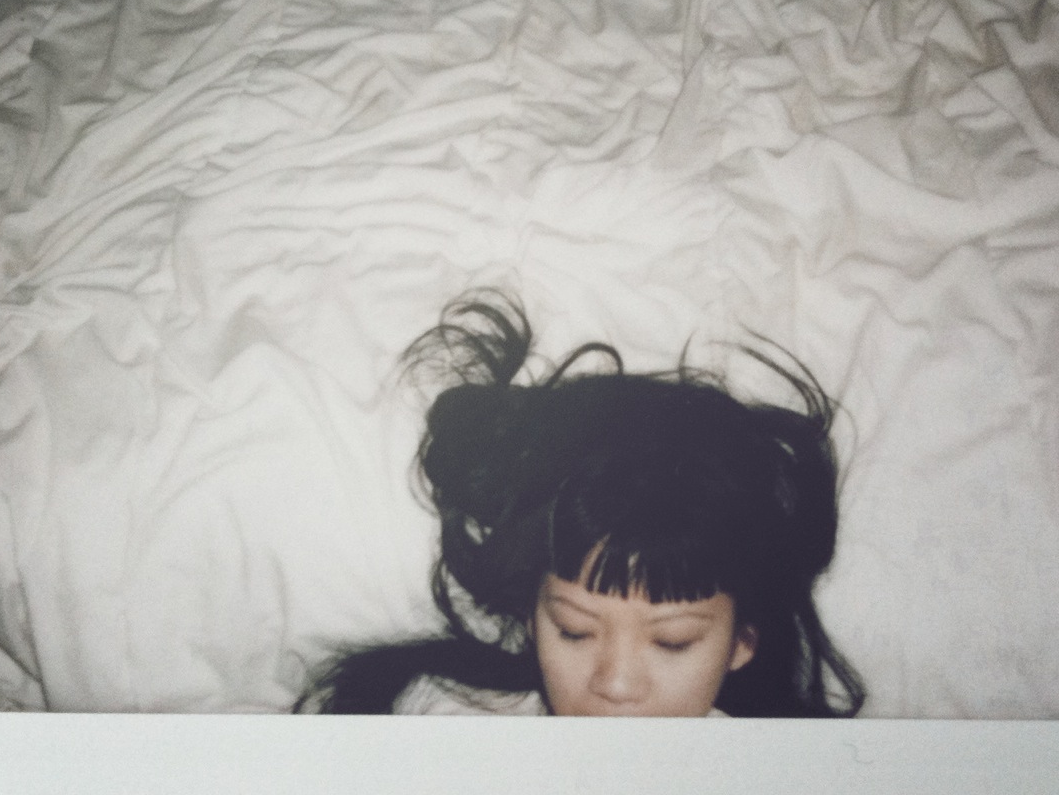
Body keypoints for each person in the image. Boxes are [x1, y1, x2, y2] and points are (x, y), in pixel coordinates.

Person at [298, 291, 864, 717]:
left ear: (743, 642)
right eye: (574, 631)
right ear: (531, 614)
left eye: (673, 642)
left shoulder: (803, 789)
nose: (615, 685)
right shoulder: (427, 718)